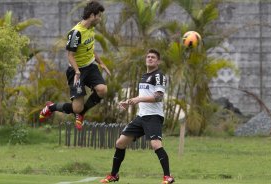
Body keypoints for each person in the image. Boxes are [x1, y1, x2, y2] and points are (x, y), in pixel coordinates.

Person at [100, 49, 175, 184]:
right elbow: (142, 97)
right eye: (148, 57)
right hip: (141, 116)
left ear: (158, 61)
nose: (150, 59)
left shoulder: (159, 76)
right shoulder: (144, 76)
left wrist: (138, 100)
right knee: (120, 143)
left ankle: (168, 177)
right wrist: (129, 102)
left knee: (156, 144)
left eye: (153, 57)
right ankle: (113, 175)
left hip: (153, 116)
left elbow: (158, 97)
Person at [39, 1, 111, 130]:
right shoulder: (75, 33)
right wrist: (77, 71)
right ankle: (51, 107)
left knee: (102, 90)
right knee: (77, 107)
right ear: (92, 15)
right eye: (99, 16)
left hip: (90, 67)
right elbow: (70, 55)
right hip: (76, 71)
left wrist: (101, 63)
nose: (100, 19)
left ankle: (81, 114)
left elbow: (90, 48)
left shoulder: (91, 28)